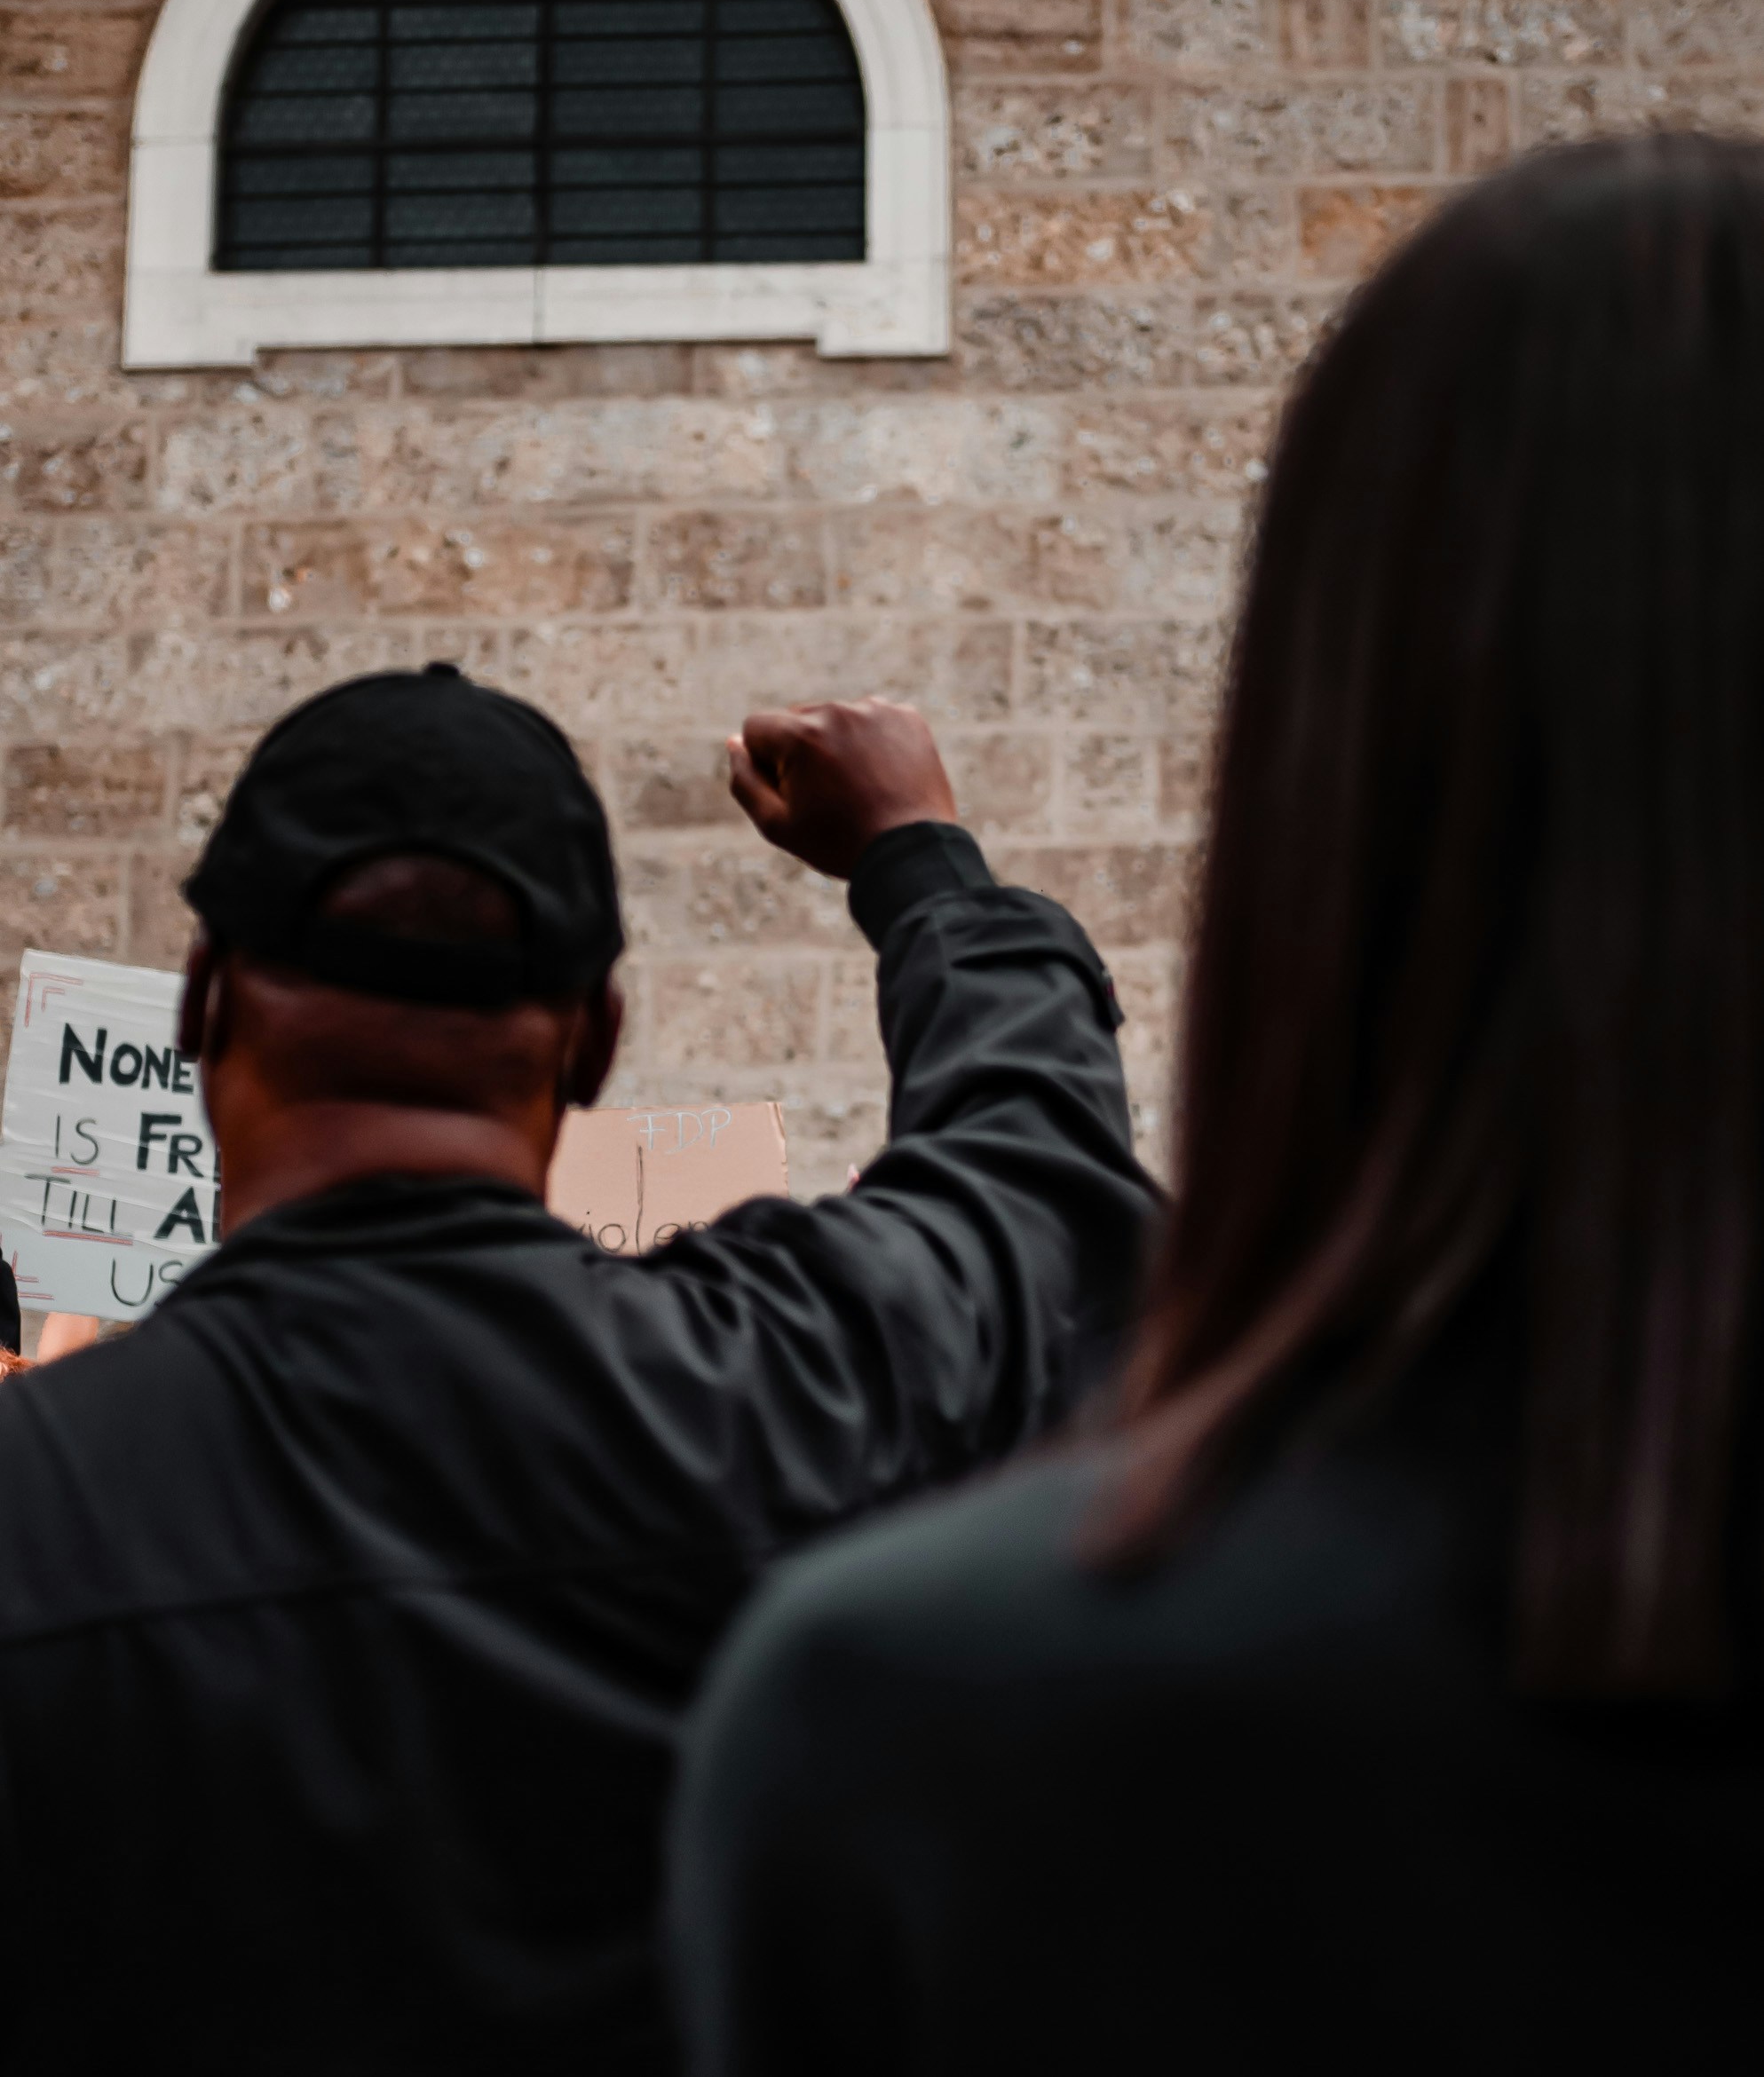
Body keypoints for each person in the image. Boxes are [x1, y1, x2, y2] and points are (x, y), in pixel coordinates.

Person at [670, 134, 1764, 2077]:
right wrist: (924, 867)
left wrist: (921, 868)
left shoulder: (933, 1722)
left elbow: (1018, 1220)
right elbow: (1027, 1200)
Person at [0, 669, 1151, 2074]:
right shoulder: (798, 1394)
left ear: (200, 1006)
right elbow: (1037, 1194)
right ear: (596, 1042)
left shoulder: (35, 1511)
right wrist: (919, 858)